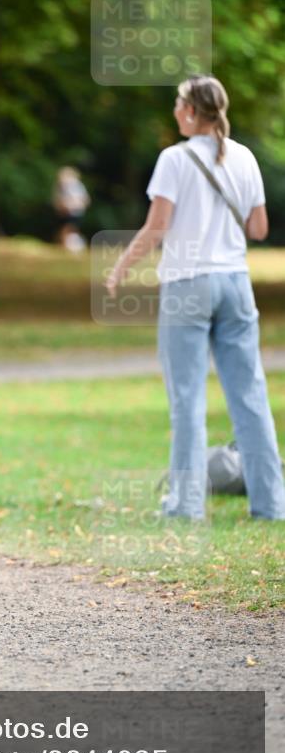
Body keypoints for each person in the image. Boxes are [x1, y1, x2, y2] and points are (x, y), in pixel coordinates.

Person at [105, 74, 285, 520]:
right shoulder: (244, 156)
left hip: (188, 285)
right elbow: (259, 229)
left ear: (191, 111)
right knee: (251, 395)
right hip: (235, 284)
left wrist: (121, 266)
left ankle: (185, 506)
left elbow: (157, 226)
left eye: (177, 104)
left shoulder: (174, 158)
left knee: (187, 396)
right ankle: (271, 504)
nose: (174, 111)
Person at [53, 166, 90, 251]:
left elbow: (84, 199)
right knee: (67, 230)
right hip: (68, 212)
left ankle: (68, 246)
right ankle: (65, 245)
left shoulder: (74, 186)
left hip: (74, 212)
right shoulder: (63, 186)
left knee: (68, 229)